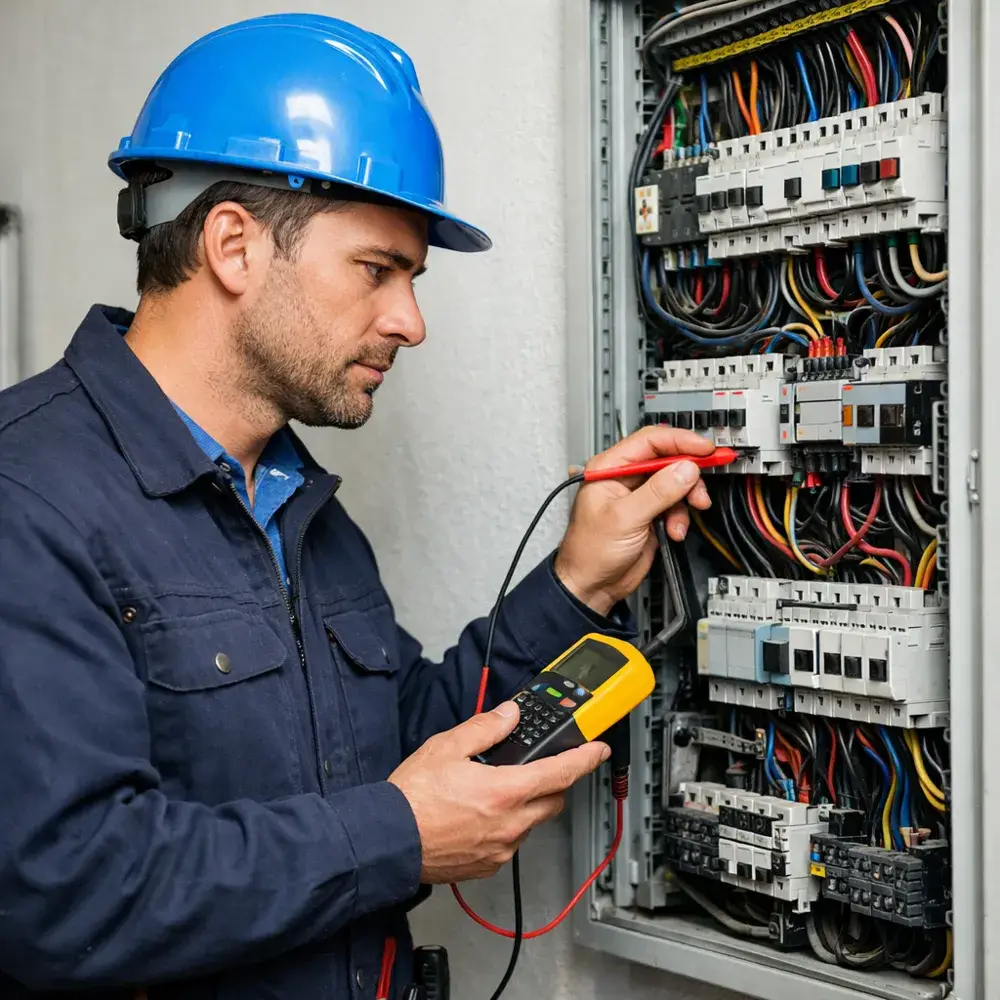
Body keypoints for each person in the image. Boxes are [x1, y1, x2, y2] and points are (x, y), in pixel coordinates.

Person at [0, 14, 712, 1000]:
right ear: (234, 245)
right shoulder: (28, 497)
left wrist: (576, 582)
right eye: (377, 270)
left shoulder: (302, 507)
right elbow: (60, 891)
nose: (408, 323)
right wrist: (399, 832)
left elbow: (404, 742)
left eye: (410, 280)